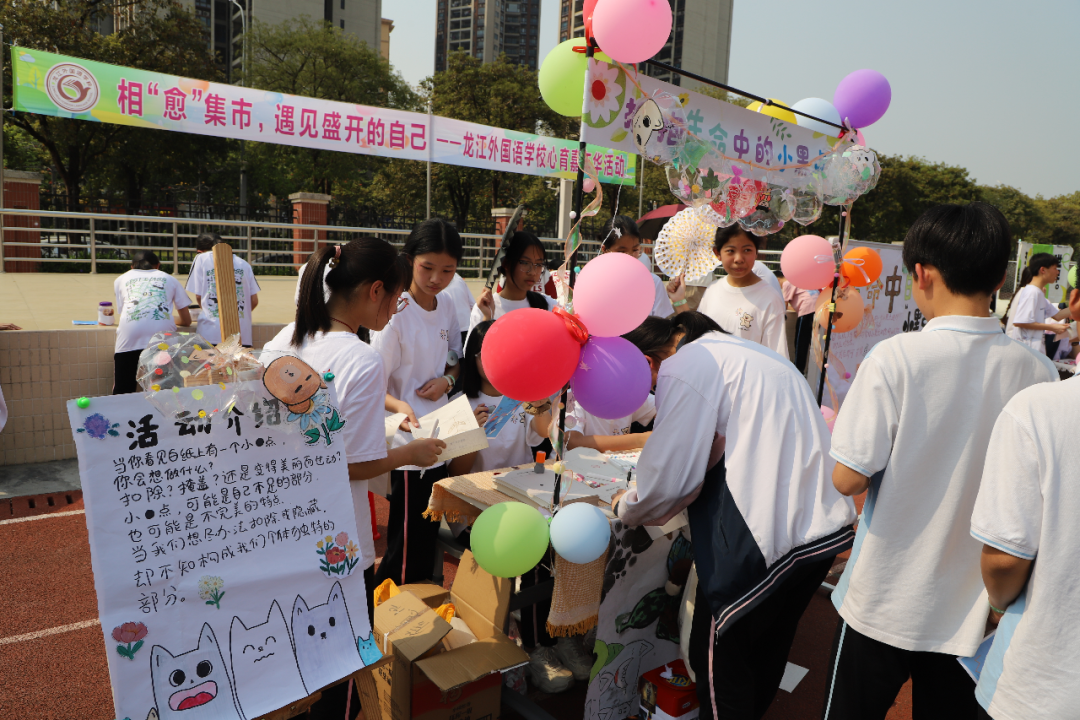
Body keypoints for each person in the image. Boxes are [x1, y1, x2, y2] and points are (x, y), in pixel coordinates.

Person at [822, 203, 1059, 720]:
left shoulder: (895, 358)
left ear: (921, 274)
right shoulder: (1038, 373)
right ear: (1000, 278)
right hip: (973, 613)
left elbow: (847, 478)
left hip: (883, 597)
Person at [612, 311, 856, 719]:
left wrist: (627, 505)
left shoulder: (684, 366)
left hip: (760, 544)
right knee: (767, 651)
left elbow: (670, 481)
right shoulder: (756, 355)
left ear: (649, 363)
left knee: (719, 667)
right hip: (820, 534)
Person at [261, 238, 445, 718]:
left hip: (281, 524)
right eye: (397, 297)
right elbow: (349, 464)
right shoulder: (361, 358)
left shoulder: (284, 340)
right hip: (335, 537)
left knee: (290, 663)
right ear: (375, 290)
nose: (396, 309)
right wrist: (410, 453)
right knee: (340, 672)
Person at [371, 218, 463, 587]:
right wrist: (400, 408)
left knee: (428, 527)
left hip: (442, 430)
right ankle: (391, 601)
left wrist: (448, 380)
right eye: (428, 267)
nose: (436, 279)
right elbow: (373, 385)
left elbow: (456, 357)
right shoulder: (394, 312)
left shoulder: (447, 306)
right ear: (409, 261)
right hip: (408, 435)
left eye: (448, 271)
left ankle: (420, 599)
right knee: (407, 534)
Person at [697, 226, 788, 359]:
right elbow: (699, 337)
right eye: (730, 251)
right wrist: (679, 300)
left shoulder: (769, 298)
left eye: (747, 250)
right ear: (717, 253)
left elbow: (777, 357)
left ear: (756, 252)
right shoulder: (712, 290)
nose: (739, 259)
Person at [113, 250, 192, 394]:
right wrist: (170, 318)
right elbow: (187, 321)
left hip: (129, 338)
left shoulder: (120, 279)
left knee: (123, 389)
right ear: (158, 266)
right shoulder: (170, 279)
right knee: (166, 389)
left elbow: (125, 312)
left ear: (132, 267)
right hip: (163, 338)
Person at [598, 216, 689, 318]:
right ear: (605, 250)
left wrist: (679, 301)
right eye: (621, 251)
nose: (630, 257)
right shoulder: (592, 282)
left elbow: (659, 324)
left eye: (635, 250)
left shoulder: (653, 283)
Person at [471, 230, 557, 334]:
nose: (533, 272)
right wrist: (487, 319)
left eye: (538, 264)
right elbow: (473, 345)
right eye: (525, 263)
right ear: (506, 263)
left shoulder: (548, 305)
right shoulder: (483, 308)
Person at [186, 232, 261, 346]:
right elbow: (254, 301)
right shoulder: (244, 264)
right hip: (242, 336)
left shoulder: (201, 258)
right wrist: (235, 316)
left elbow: (199, 296)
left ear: (199, 251)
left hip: (210, 333)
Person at [1001, 252, 1070, 357]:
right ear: (1043, 270)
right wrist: (1053, 328)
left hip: (1033, 350)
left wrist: (1076, 305)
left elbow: (1057, 315)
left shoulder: (1038, 292)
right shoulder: (1032, 292)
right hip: (1025, 351)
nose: (1057, 272)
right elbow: (1020, 322)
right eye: (1055, 268)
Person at [782, 277, 818, 373]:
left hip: (807, 310)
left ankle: (798, 371)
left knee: (801, 343)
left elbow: (784, 305)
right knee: (813, 342)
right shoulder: (801, 280)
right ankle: (815, 372)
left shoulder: (787, 283)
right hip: (819, 308)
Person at [442, 272, 476, 348]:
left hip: (448, 331)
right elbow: (473, 305)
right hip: (467, 327)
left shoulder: (436, 284)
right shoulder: (458, 279)